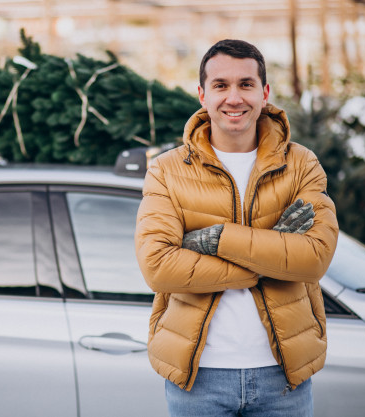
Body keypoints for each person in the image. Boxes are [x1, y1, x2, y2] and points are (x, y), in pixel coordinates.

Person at [134, 39, 339, 417]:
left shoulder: (301, 165)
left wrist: (216, 240)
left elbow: (313, 260)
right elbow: (159, 267)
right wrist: (275, 251)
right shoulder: (167, 170)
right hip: (199, 379)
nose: (234, 97)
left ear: (264, 93)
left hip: (283, 377)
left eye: (246, 84)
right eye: (221, 85)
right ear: (202, 94)